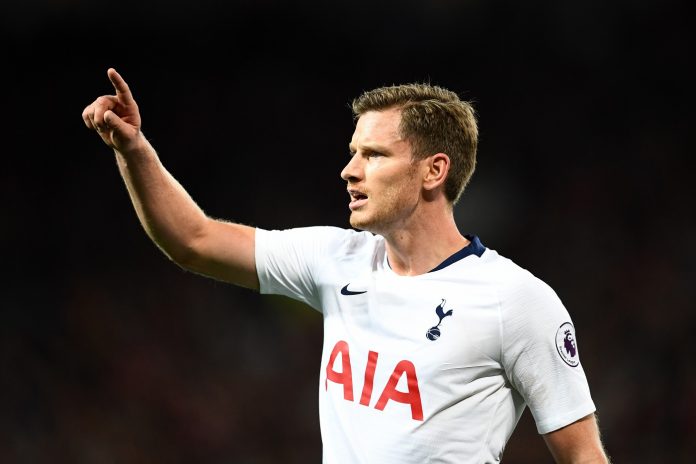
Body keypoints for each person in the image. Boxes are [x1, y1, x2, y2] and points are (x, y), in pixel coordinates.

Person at [82, 68, 610, 463]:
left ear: (434, 170)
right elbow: (193, 240)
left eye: (374, 155)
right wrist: (133, 149)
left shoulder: (515, 300)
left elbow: (583, 455)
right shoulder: (336, 260)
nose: (349, 170)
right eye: (353, 152)